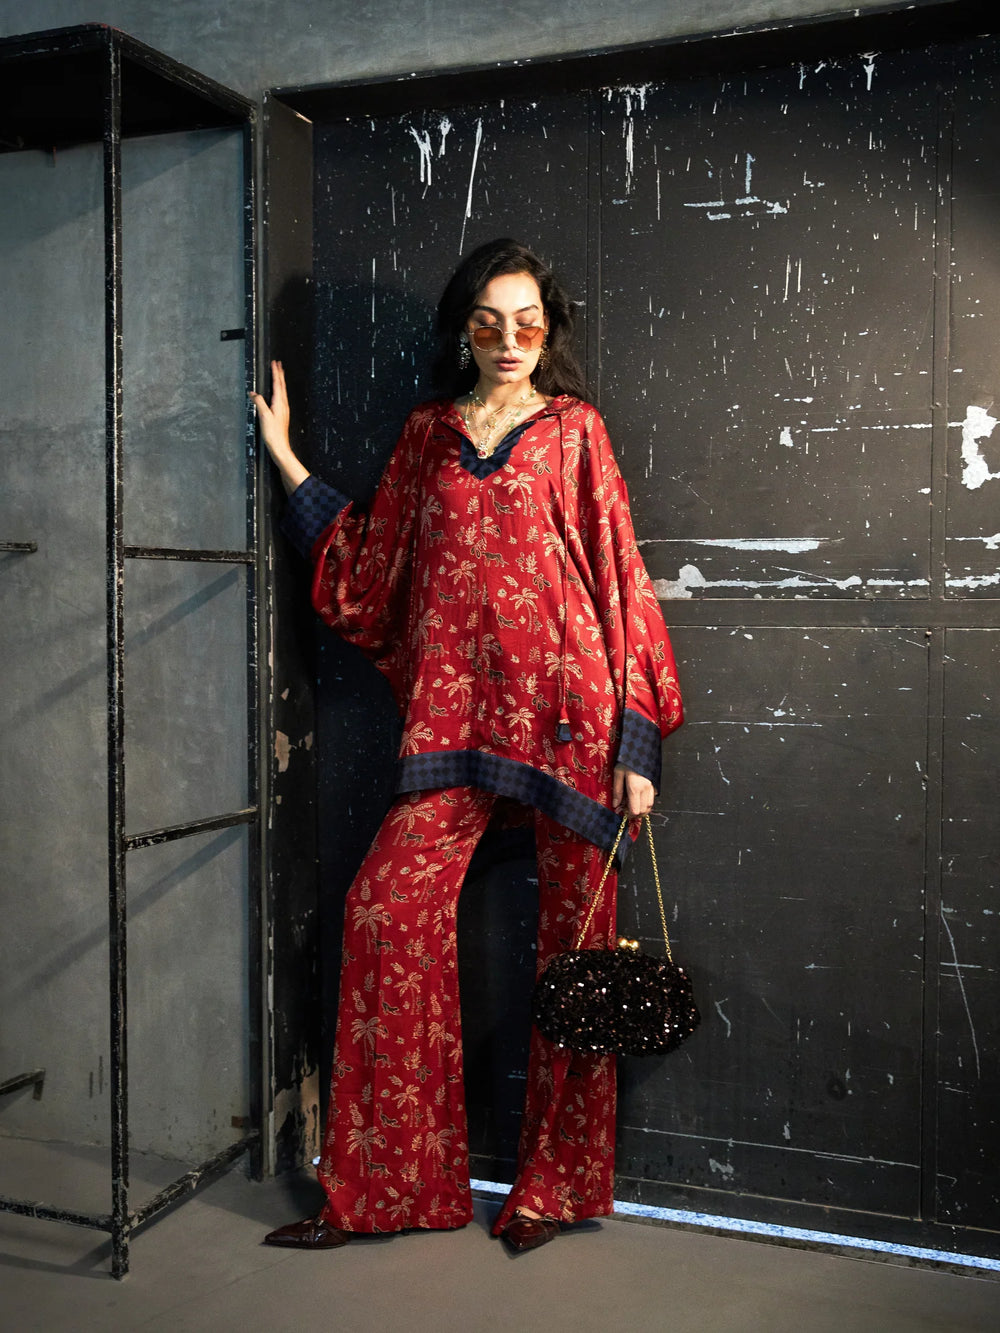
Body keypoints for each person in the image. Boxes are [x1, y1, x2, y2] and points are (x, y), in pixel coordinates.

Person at [251, 238, 683, 1254]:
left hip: (574, 722)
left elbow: (620, 575)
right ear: (464, 330)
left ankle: (552, 1190)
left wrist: (638, 739)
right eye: (489, 322)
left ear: (549, 329)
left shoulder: (575, 430)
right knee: (383, 908)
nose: (509, 340)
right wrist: (286, 457)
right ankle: (391, 1188)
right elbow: (372, 570)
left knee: (578, 959)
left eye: (528, 321)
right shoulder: (427, 435)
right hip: (453, 720)